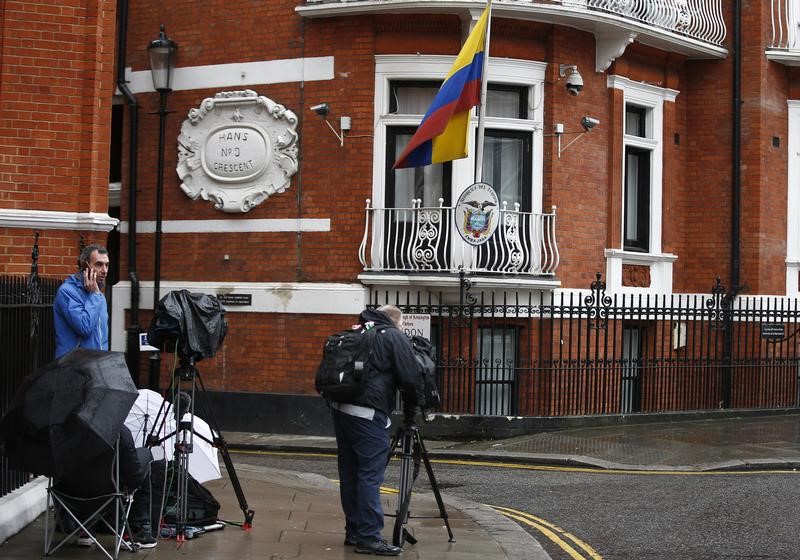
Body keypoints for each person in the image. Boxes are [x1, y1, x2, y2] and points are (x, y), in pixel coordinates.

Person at [330, 304, 423, 556]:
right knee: (370, 476)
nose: (403, 329)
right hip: (368, 413)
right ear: (395, 321)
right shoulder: (392, 335)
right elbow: (410, 377)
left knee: (349, 473)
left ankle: (354, 531)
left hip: (341, 409)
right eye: (402, 324)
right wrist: (412, 409)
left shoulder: (359, 330)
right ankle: (369, 537)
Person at [54, 425, 157, 548]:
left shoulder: (62, 427)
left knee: (90, 475)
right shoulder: (119, 431)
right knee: (145, 454)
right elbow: (134, 479)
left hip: (69, 497)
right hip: (107, 495)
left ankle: (86, 529)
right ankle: (138, 528)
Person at [53, 244, 110, 359]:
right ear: (85, 266)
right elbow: (84, 327)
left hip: (95, 364)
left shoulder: (99, 295)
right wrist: (94, 295)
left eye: (107, 265)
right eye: (99, 264)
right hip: (73, 366)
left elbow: (102, 337)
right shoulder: (67, 292)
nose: (104, 270)